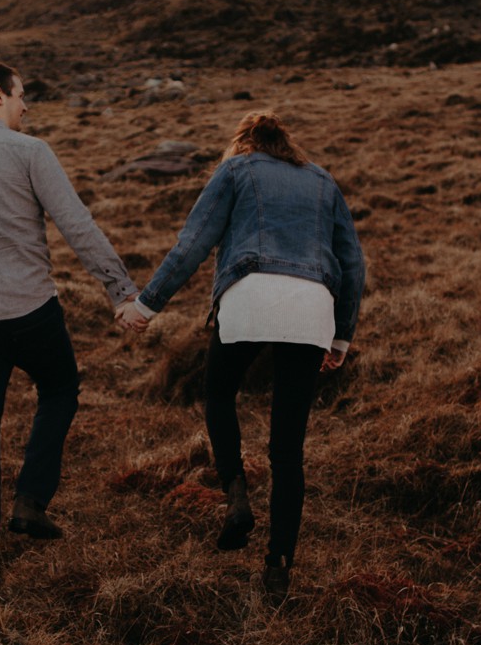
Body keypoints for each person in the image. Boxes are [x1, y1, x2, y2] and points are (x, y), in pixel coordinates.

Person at [0, 61, 145, 597]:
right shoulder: (31, 151)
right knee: (60, 389)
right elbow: (76, 224)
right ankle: (31, 499)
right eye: (20, 96)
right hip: (32, 312)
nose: (25, 105)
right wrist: (119, 290)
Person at [120, 110, 365, 599]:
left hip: (250, 294)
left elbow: (193, 242)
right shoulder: (322, 180)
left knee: (218, 393)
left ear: (244, 142)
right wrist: (341, 337)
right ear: (286, 143)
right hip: (312, 304)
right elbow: (353, 261)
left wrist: (148, 303)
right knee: (288, 450)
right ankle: (278, 566)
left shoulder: (236, 170)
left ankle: (235, 493)